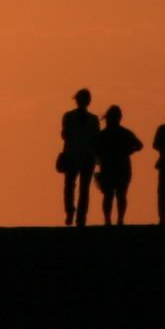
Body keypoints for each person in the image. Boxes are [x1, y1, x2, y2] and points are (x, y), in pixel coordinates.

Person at [94, 103, 145, 227]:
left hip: (111, 167)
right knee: (119, 195)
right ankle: (118, 220)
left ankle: (109, 220)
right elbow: (139, 145)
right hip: (120, 167)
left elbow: (139, 145)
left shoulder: (103, 134)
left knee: (111, 195)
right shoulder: (124, 133)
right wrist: (128, 150)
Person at [58, 90, 101, 227]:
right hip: (76, 156)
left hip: (83, 157)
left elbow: (65, 135)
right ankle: (74, 215)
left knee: (78, 188)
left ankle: (77, 216)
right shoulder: (89, 119)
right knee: (76, 188)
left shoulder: (71, 117)